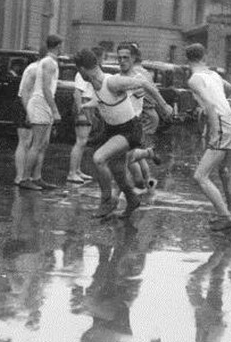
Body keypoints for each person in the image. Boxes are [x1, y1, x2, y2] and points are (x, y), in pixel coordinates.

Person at [72, 48, 172, 218]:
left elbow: (145, 84)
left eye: (78, 70)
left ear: (82, 70)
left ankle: (106, 201)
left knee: (99, 158)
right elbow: (103, 99)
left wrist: (164, 106)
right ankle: (132, 200)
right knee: (119, 173)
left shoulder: (112, 82)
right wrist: (87, 105)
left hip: (128, 130)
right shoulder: (94, 83)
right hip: (112, 130)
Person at [186, 43, 231, 232]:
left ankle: (224, 216)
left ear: (188, 60)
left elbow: (209, 105)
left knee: (200, 176)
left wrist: (214, 131)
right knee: (225, 171)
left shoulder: (194, 79)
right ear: (204, 57)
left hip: (221, 124)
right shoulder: (214, 75)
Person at [115, 42, 162, 192]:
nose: (122, 61)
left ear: (134, 57)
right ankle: (145, 183)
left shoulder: (139, 75)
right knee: (131, 157)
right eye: (120, 57)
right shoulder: (125, 74)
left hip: (139, 119)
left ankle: (138, 184)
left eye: (126, 57)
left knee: (129, 156)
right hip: (134, 119)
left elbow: (146, 92)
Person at [20, 35, 64, 191]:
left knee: (43, 144)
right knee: (37, 144)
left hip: (42, 102)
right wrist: (55, 109)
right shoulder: (49, 63)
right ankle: (25, 178)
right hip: (40, 102)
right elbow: (45, 89)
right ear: (58, 46)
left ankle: (37, 177)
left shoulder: (49, 62)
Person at [67, 48, 102, 185]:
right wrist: (81, 110)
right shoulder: (81, 74)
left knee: (83, 141)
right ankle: (72, 172)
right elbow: (77, 93)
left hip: (88, 105)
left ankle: (77, 170)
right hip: (83, 104)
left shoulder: (87, 73)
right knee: (80, 141)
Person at [13, 58, 38, 186]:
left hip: (32, 105)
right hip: (25, 105)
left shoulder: (40, 68)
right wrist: (28, 111)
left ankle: (24, 175)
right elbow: (24, 93)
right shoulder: (34, 69)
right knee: (24, 142)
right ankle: (19, 175)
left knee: (29, 142)